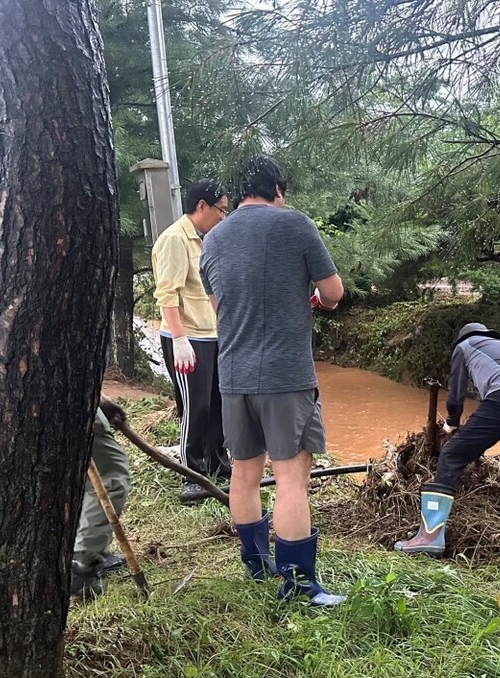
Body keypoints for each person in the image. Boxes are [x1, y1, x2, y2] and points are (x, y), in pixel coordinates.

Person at [199, 155, 346, 606]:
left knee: (243, 474)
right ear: (276, 189)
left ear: (239, 193)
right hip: (285, 374)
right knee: (290, 478)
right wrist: (310, 297)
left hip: (233, 375)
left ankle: (256, 566)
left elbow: (217, 303)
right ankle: (299, 585)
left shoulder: (213, 238)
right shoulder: (295, 224)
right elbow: (334, 293)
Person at [394, 323, 500, 557]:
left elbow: (456, 392)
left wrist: (452, 422)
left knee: (453, 454)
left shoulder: (464, 345)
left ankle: (430, 536)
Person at [152, 179, 231, 505]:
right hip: (186, 338)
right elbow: (167, 294)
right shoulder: (174, 239)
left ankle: (218, 467)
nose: (223, 217)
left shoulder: (206, 240)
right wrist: (181, 339)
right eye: (220, 210)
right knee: (194, 408)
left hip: (211, 335)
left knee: (217, 406)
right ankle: (192, 474)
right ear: (201, 206)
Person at [70, 394, 132, 599]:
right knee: (110, 476)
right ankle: (81, 567)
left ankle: (79, 550)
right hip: (67, 398)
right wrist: (96, 397)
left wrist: (100, 399)